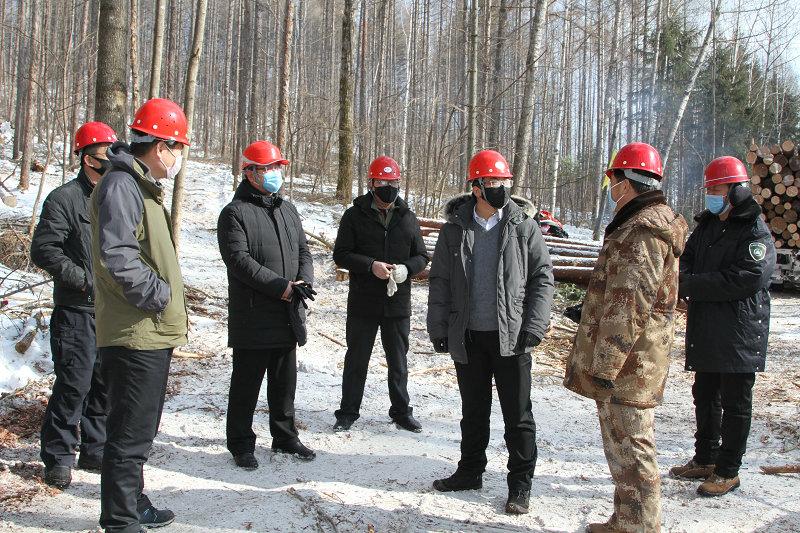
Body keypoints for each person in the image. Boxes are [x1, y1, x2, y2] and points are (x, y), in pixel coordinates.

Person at [563, 142, 688, 533]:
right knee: (621, 447)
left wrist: (604, 366)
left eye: (610, 179)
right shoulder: (641, 222)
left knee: (632, 450)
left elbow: (629, 304)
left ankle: (641, 527)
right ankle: (626, 520)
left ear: (624, 180)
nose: (609, 187)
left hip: (628, 365)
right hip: (630, 358)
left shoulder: (643, 229)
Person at [427, 149, 554, 515]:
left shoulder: (523, 227)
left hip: (511, 338)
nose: (502, 188)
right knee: (474, 411)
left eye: (505, 182)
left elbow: (542, 280)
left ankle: (520, 486)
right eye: (494, 183)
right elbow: (440, 282)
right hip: (469, 337)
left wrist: (534, 325)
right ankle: (470, 472)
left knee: (518, 416)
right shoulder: (455, 231)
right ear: (477, 187)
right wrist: (439, 328)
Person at [91, 98, 190, 531]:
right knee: (130, 435)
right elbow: (119, 256)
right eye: (177, 146)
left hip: (147, 330)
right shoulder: (121, 186)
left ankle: (134, 503)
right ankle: (120, 521)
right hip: (135, 331)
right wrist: (160, 296)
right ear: (158, 144)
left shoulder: (139, 185)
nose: (179, 157)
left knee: (139, 430)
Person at [669, 156, 776, 497]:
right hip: (708, 328)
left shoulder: (755, 230)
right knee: (705, 395)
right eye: (710, 190)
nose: (711, 196)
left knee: (735, 403)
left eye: (716, 189)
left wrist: (693, 285)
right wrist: (683, 279)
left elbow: (747, 277)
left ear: (736, 190)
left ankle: (728, 469)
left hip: (739, 332)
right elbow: (686, 258)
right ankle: (705, 457)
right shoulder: (708, 226)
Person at [218, 140, 317, 468]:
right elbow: (239, 261)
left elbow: (304, 250)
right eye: (268, 168)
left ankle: (285, 436)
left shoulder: (287, 209)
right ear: (249, 172)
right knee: (246, 383)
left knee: (284, 381)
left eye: (278, 167)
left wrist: (303, 282)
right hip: (253, 315)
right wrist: (281, 288)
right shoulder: (234, 213)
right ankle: (241, 443)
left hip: (288, 313)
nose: (275, 173)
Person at [31, 122, 117, 489]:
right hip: (76, 310)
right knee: (74, 384)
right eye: (102, 158)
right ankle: (58, 456)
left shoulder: (115, 197)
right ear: (86, 159)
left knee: (104, 383)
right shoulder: (64, 199)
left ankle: (94, 449)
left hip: (112, 312)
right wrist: (82, 279)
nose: (108, 163)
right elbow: (44, 249)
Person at [332, 156, 429, 433]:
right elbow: (341, 254)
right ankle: (348, 412)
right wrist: (369, 265)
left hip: (397, 303)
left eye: (393, 182)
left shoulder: (407, 217)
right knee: (356, 359)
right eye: (383, 182)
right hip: (363, 301)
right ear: (371, 183)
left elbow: (422, 256)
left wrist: (406, 269)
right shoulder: (354, 215)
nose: (388, 187)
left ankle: (401, 412)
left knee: (398, 362)